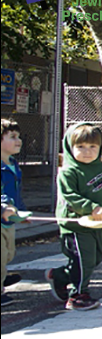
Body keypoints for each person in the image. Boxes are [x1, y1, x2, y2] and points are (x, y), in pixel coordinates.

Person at [45, 123, 102, 311]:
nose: (87, 152)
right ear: (69, 147)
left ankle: (59, 276)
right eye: (81, 147)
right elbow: (70, 196)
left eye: (92, 147)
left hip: (97, 226)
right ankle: (77, 295)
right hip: (75, 225)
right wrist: (92, 208)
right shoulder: (68, 172)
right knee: (83, 260)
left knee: (94, 259)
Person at [1, 119, 25, 306]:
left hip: (9, 220)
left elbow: (16, 192)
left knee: (9, 253)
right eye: (12, 137)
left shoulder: (13, 164)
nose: (18, 140)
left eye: (18, 136)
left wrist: (22, 212)